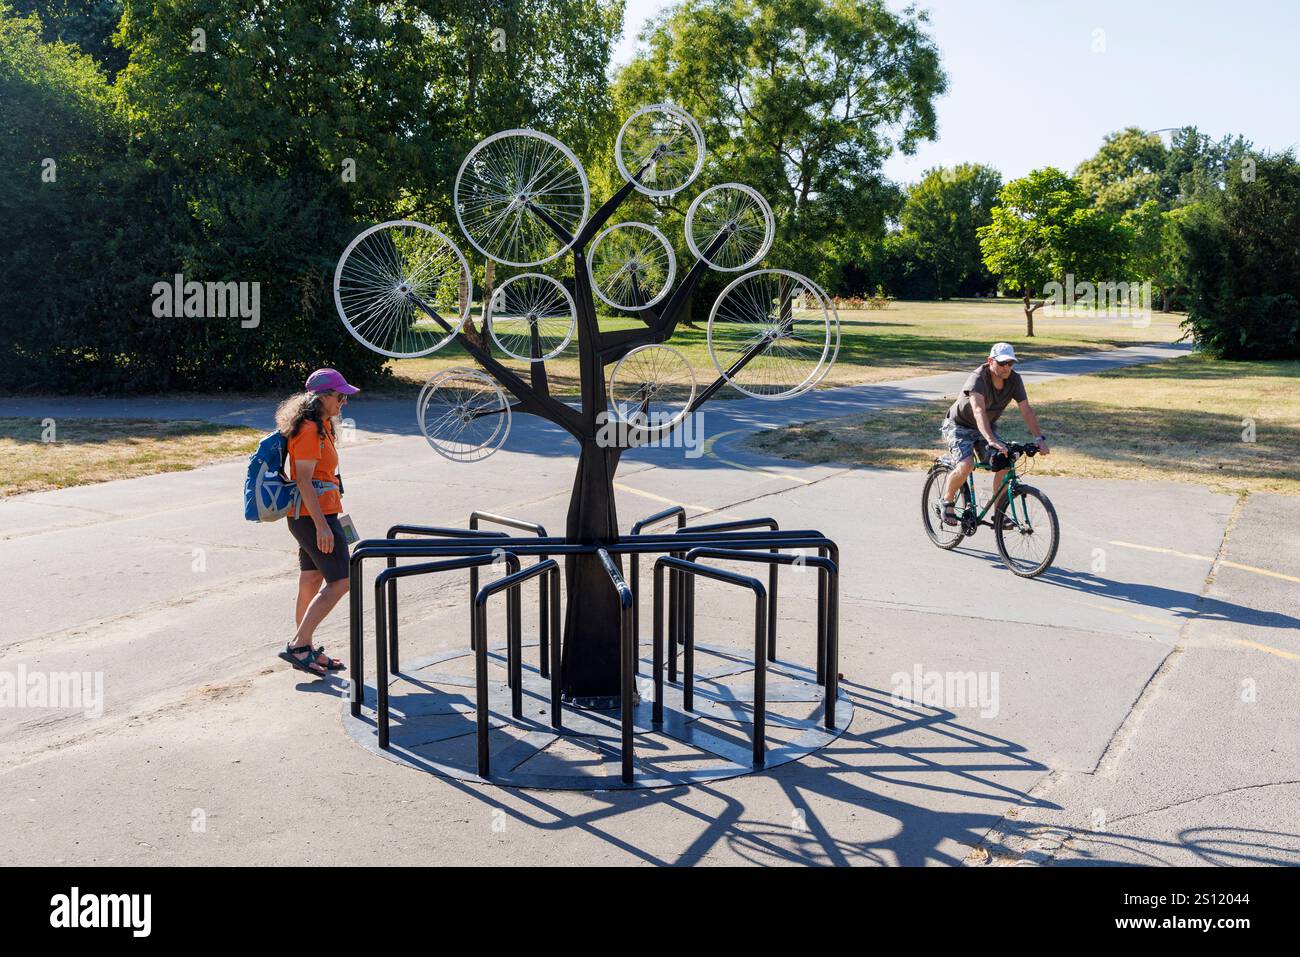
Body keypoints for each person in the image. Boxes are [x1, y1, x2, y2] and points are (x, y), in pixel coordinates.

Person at [275, 368, 359, 676]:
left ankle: (305, 648)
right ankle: (299, 646)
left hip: (310, 515)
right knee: (341, 581)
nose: (343, 403)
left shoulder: (322, 425)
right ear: (322, 397)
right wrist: (323, 525)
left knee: (311, 579)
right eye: (339, 397)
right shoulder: (309, 429)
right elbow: (304, 481)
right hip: (314, 516)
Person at [940, 343, 1049, 526]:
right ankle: (947, 501)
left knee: (1004, 460)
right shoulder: (978, 379)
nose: (1007, 367)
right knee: (966, 465)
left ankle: (998, 513)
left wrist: (1039, 438)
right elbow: (978, 411)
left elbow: (1026, 410)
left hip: (986, 427)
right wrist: (991, 440)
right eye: (1002, 363)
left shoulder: (1014, 380)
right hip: (959, 426)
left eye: (1010, 363)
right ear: (990, 361)